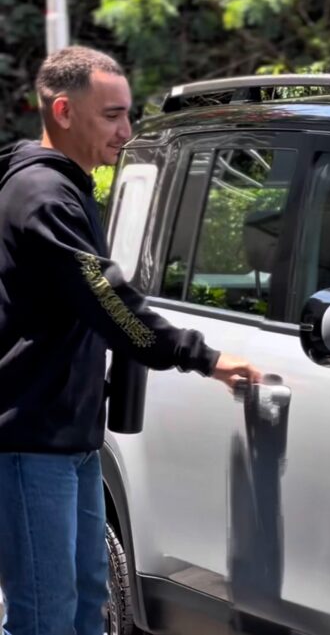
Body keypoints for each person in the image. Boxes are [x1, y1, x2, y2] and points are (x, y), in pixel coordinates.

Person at [0, 46, 262, 635]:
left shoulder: (68, 186)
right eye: (112, 116)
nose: (127, 131)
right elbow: (108, 297)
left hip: (69, 439)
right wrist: (206, 357)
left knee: (90, 600)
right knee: (45, 615)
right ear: (64, 111)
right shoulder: (43, 197)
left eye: (127, 114)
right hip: (29, 441)